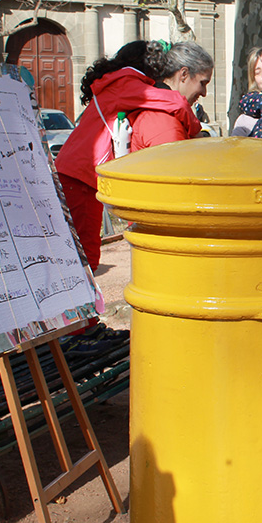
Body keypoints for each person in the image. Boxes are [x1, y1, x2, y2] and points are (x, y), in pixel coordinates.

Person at [55, 40, 210, 352]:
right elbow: (174, 103)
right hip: (81, 173)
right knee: (83, 255)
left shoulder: (117, 83)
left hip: (78, 171)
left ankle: (80, 327)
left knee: (82, 253)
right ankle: (74, 332)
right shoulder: (127, 82)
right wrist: (197, 131)